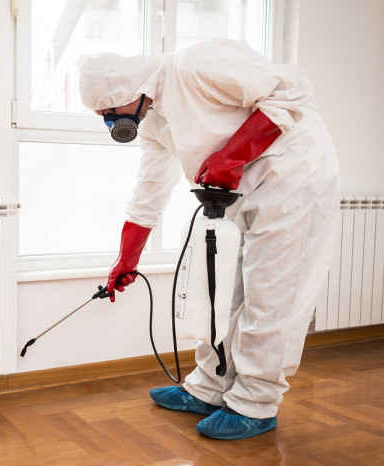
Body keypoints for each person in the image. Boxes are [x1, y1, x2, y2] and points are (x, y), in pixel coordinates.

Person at [78, 39, 340, 440]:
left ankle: (255, 403)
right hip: (242, 196)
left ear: (125, 91)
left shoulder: (197, 65)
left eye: (110, 114)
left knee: (271, 295)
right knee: (225, 293)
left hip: (295, 179)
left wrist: (232, 155)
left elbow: (292, 89)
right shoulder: (154, 123)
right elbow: (147, 196)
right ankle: (209, 387)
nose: (113, 125)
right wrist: (125, 261)